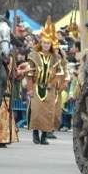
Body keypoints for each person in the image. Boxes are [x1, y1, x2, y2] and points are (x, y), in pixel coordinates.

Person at [26, 16, 64, 145]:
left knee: (48, 113)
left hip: (49, 88)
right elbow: (29, 74)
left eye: (48, 43)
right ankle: (35, 134)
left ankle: (44, 136)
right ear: (40, 43)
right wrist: (30, 89)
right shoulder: (34, 56)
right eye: (44, 43)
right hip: (37, 87)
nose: (46, 45)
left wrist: (52, 83)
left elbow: (58, 73)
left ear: (51, 44)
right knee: (36, 112)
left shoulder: (55, 57)